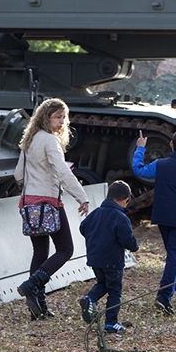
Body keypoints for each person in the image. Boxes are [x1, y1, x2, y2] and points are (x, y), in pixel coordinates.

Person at [15, 98, 90, 320]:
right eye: (58, 117)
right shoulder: (50, 141)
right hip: (48, 202)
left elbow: (18, 174)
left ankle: (37, 308)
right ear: (46, 118)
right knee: (66, 248)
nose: (63, 121)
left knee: (40, 252)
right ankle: (32, 285)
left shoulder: (29, 140)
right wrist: (81, 197)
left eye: (64, 117)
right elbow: (63, 172)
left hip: (29, 202)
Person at [132, 128, 176, 315]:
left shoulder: (159, 164)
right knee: (174, 255)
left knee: (174, 254)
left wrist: (140, 148)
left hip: (162, 216)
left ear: (171, 144)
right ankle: (164, 295)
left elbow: (139, 170)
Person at [78, 180, 140, 333]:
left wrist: (95, 238)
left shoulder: (95, 214)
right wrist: (135, 246)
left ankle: (89, 299)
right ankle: (111, 323)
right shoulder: (120, 217)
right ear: (126, 199)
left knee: (103, 283)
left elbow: (82, 227)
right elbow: (128, 241)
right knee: (114, 291)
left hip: (95, 259)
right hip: (112, 260)